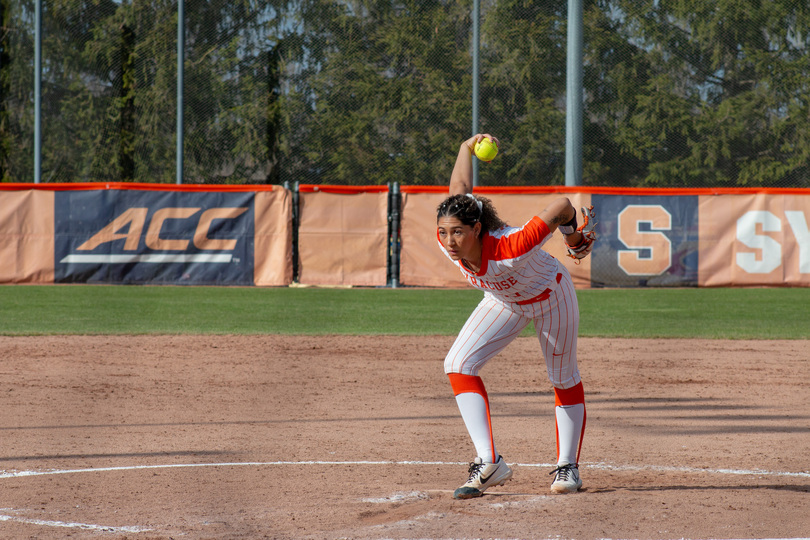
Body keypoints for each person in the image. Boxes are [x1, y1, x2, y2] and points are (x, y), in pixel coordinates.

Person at [436, 133, 596, 499]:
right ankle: (489, 462)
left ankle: (567, 466)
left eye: (457, 232)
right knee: (458, 363)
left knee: (562, 375)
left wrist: (572, 238)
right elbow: (458, 191)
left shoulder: (510, 247)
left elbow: (561, 205)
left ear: (477, 229)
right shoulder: (452, 243)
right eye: (444, 232)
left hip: (551, 295)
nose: (448, 241)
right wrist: (464, 148)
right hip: (504, 300)